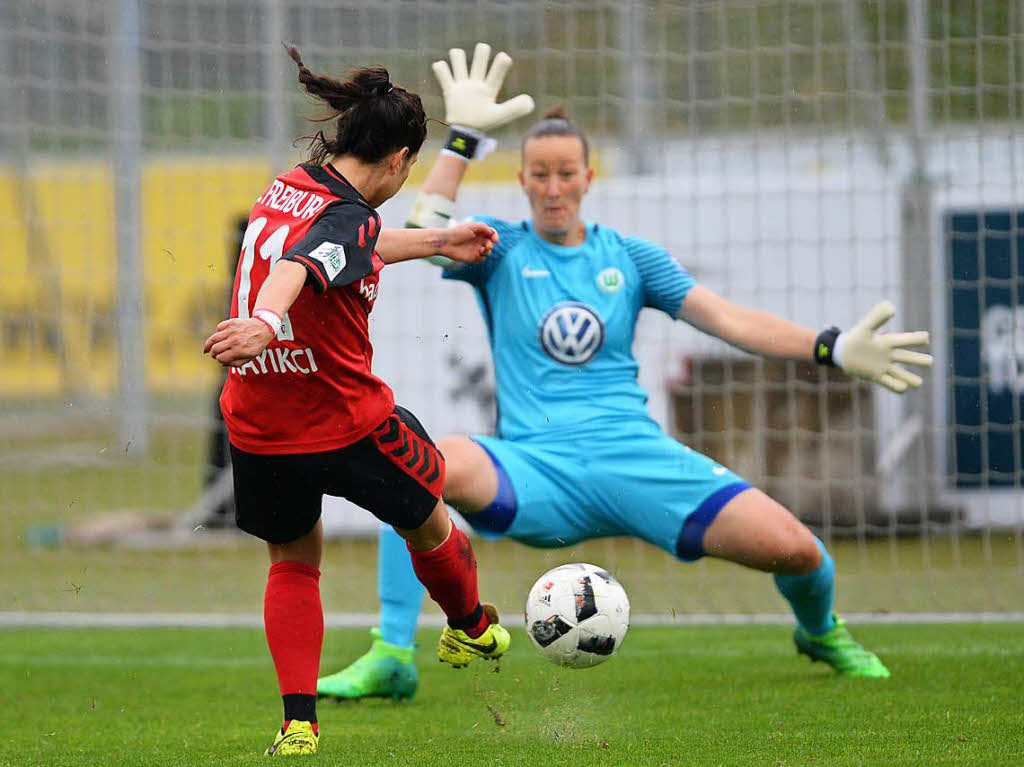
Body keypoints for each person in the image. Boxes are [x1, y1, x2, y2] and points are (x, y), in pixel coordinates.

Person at [316, 43, 934, 703]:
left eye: (566, 174)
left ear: (588, 177)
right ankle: (391, 652)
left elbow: (729, 320)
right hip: (535, 467)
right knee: (411, 468)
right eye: (540, 175)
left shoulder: (632, 259)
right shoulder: (498, 248)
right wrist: (463, 140)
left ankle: (820, 630)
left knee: (802, 552)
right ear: (524, 180)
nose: (554, 187)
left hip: (636, 460)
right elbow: (426, 227)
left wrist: (831, 347)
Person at [203, 45, 513, 756]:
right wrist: (267, 320)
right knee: (432, 519)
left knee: (293, 562)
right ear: (401, 159)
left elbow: (347, 246)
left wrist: (438, 238)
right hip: (345, 424)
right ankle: (469, 627)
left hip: (258, 422)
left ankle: (299, 724)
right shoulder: (348, 219)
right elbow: (302, 264)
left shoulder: (287, 189)